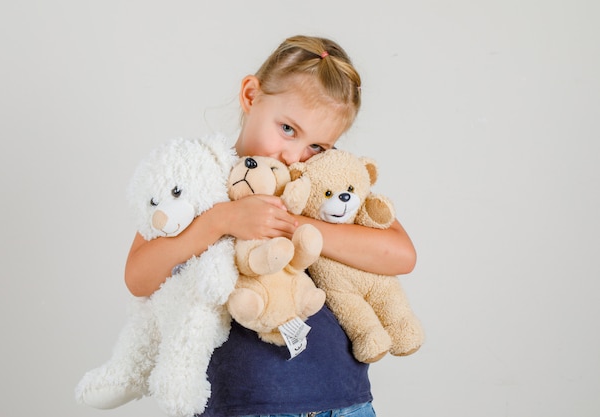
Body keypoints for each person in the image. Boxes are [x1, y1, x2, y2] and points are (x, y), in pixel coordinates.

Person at [124, 35, 416, 417]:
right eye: (288, 129)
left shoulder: (322, 179)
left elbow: (400, 254)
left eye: (318, 146)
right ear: (250, 95)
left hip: (345, 402)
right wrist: (220, 221)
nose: (295, 154)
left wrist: (289, 223)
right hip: (243, 404)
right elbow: (138, 277)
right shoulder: (197, 174)